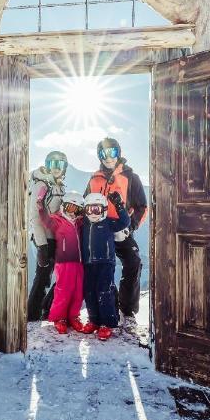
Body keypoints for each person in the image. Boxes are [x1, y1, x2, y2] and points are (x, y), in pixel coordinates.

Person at [85, 137, 147, 326]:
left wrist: (130, 227)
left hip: (121, 227)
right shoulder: (94, 178)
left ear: (118, 153)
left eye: (112, 152)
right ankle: (105, 307)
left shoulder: (130, 177)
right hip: (99, 230)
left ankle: (127, 308)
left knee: (133, 262)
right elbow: (85, 203)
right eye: (103, 153)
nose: (108, 157)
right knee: (97, 268)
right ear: (99, 156)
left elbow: (142, 207)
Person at [36, 190, 87, 334]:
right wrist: (40, 205)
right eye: (70, 207)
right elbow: (45, 220)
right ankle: (59, 318)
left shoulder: (79, 223)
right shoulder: (58, 220)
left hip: (79, 262)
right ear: (64, 206)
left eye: (76, 209)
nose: (72, 212)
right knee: (63, 290)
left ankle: (73, 316)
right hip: (64, 262)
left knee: (78, 291)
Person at [81, 191, 130, 340]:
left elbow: (125, 222)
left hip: (105, 263)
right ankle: (94, 320)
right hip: (88, 263)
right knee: (89, 292)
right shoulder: (84, 224)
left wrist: (119, 205)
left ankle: (107, 323)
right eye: (89, 209)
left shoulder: (108, 223)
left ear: (103, 209)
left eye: (96, 209)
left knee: (104, 292)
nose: (93, 213)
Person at [27, 150, 68, 321]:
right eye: (53, 164)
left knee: (62, 273)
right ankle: (32, 315)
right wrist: (42, 246)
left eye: (60, 164)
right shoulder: (42, 184)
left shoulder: (58, 185)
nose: (56, 168)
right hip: (44, 237)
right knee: (43, 275)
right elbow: (34, 218)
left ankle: (45, 308)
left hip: (56, 237)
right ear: (47, 165)